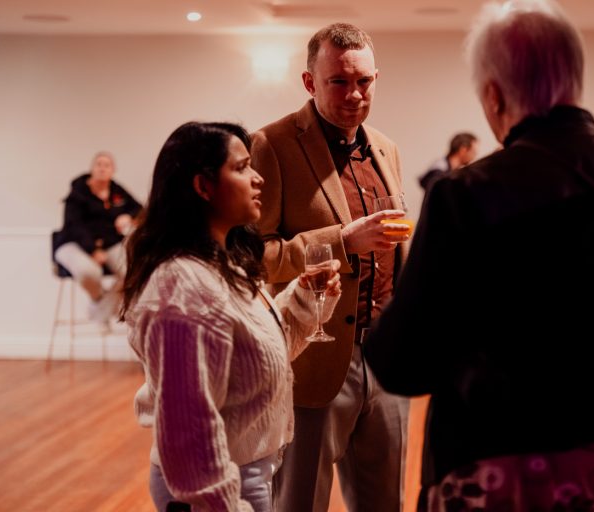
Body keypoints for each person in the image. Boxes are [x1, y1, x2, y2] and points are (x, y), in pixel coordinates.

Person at [364, 1, 594, 511]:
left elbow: (405, 363)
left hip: (510, 453)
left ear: (493, 94)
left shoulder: (465, 194)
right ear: (576, 81)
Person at [119, 121, 342, 512]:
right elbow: (188, 434)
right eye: (241, 168)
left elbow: (261, 358)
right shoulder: (183, 288)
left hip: (246, 475)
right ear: (203, 187)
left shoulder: (222, 265)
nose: (258, 178)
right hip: (216, 489)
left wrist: (306, 297)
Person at [250, 22, 411, 512]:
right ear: (309, 82)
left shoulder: (385, 147)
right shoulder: (271, 144)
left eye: (364, 81)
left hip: (386, 358)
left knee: (385, 504)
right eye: (338, 81)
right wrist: (341, 241)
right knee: (300, 502)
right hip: (313, 361)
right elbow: (254, 256)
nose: (354, 94)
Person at [53, 150, 142, 322]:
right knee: (88, 272)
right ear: (92, 168)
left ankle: (100, 310)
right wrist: (93, 250)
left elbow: (139, 209)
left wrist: (128, 216)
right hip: (75, 244)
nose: (102, 168)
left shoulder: (117, 190)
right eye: (98, 164)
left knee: (134, 272)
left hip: (109, 243)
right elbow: (74, 225)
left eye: (107, 165)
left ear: (113, 170)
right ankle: (101, 303)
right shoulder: (77, 192)